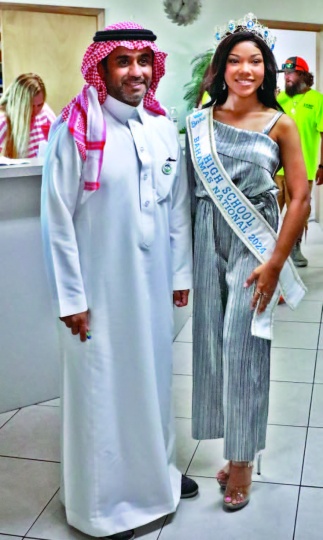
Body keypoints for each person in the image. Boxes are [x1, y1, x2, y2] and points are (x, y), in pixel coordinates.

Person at [41, 21, 197, 540]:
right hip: (98, 294)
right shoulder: (76, 127)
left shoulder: (159, 126)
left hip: (151, 290)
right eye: (123, 61)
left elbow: (175, 208)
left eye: (143, 61)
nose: (136, 71)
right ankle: (103, 508)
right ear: (102, 67)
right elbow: (56, 219)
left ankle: (156, 481)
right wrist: (70, 298)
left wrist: (179, 274)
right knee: (101, 391)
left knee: (150, 384)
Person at [186, 13, 309, 512]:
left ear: (268, 69)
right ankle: (234, 444)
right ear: (219, 69)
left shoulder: (280, 123)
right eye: (234, 60)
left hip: (253, 247)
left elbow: (299, 198)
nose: (245, 69)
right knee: (213, 349)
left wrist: (276, 263)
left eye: (255, 61)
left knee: (244, 350)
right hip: (203, 237)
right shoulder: (200, 121)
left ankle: (241, 464)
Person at [275, 56, 323, 267]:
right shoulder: (280, 99)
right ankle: (270, 247)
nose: (287, 77)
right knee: (271, 208)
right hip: (276, 167)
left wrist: (322, 165)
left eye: (291, 73)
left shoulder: (318, 100)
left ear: (303, 75)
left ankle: (295, 248)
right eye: (285, 74)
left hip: (303, 169)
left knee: (300, 210)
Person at [0, 73, 55, 158]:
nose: (36, 111)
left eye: (40, 105)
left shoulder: (45, 113)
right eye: (30, 106)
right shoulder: (4, 122)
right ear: (19, 104)